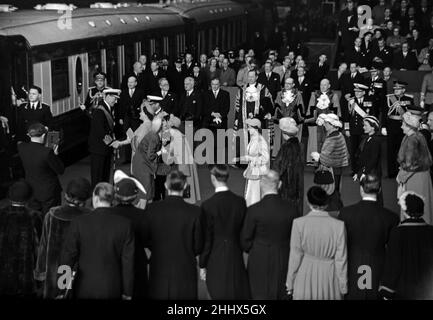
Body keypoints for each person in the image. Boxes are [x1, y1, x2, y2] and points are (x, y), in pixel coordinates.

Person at [60, 183, 134, 299]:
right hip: (112, 286)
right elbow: (128, 263)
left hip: (83, 287)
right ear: (113, 199)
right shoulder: (125, 224)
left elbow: (67, 257)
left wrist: (62, 288)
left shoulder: (78, 222)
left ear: (95, 198)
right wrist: (128, 292)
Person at [339, 174, 399, 300]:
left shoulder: (346, 213)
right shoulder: (390, 217)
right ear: (380, 190)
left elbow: (340, 245)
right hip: (377, 271)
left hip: (352, 269)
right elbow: (394, 254)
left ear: (361, 189)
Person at [145, 170, 203, 299]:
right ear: (184, 186)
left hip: (159, 266)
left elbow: (146, 238)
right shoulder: (195, 212)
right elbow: (198, 245)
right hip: (185, 266)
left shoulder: (151, 209)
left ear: (166, 186)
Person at [242, 170, 298, 299]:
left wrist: (256, 247)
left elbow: (245, 241)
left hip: (259, 257)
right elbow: (296, 238)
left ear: (261, 184)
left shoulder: (254, 210)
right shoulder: (291, 209)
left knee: (258, 292)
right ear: (279, 185)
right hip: (284, 257)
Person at [286, 186, 347, 300]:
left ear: (307, 201)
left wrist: (290, 283)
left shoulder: (298, 224)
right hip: (329, 275)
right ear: (326, 203)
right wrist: (343, 286)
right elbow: (341, 260)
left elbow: (295, 257)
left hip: (305, 274)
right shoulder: (339, 226)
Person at [34, 178, 92, 298]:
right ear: (86, 198)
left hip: (55, 273)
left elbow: (43, 246)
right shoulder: (90, 218)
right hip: (81, 273)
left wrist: (40, 272)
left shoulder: (51, 215)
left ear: (66, 195)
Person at [199, 165, 250, 299]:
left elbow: (207, 238)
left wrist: (202, 264)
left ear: (213, 178)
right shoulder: (240, 202)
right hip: (235, 255)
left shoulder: (208, 205)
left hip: (214, 257)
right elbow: (244, 232)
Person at [380, 192, 433, 300]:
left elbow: (394, 264)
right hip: (428, 290)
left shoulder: (397, 232)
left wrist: (386, 291)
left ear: (405, 211)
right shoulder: (431, 231)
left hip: (404, 291)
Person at [0, 180, 42, 297]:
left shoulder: (1, 214)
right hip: (25, 275)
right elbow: (39, 246)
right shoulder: (34, 217)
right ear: (29, 198)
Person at [112, 170, 149, 299]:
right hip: (137, 262)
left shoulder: (110, 214)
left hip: (113, 263)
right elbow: (148, 241)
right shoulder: (142, 215)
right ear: (135, 196)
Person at [18, 123, 64, 215]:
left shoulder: (21, 147)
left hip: (31, 190)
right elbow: (60, 170)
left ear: (29, 134)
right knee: (49, 220)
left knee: (36, 219)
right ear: (43, 135)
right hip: (49, 192)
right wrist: (55, 155)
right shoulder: (47, 152)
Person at [396, 109, 433, 224]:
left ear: (409, 126)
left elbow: (411, 164)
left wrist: (401, 176)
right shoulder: (413, 136)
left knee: (413, 206)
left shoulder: (413, 139)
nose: (401, 126)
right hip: (418, 175)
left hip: (415, 177)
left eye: (403, 124)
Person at [311, 113, 349, 210]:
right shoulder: (339, 135)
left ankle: (333, 212)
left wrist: (317, 157)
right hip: (337, 168)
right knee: (336, 191)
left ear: (332, 124)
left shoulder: (332, 138)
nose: (324, 124)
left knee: (331, 193)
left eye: (326, 123)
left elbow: (325, 158)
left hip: (332, 170)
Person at [165, 115, 201, 204]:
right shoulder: (177, 133)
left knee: (186, 184)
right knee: (188, 184)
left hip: (184, 164)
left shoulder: (175, 134)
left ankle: (186, 202)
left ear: (170, 124)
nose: (164, 123)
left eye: (166, 121)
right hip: (186, 162)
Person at [88, 88, 120, 187]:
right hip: (99, 149)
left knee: (105, 175)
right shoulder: (100, 110)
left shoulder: (108, 108)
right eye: (114, 98)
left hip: (104, 148)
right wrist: (111, 143)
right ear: (108, 96)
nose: (116, 101)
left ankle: (104, 196)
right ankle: (97, 198)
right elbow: (101, 131)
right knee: (98, 177)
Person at [272, 117, 303, 216]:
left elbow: (278, 167)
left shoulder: (286, 147)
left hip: (286, 183)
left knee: (285, 209)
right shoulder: (299, 145)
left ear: (284, 133)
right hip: (297, 181)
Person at [382, 81, 414, 178]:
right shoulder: (389, 98)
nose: (396, 90)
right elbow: (384, 113)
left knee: (402, 150)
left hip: (404, 127)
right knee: (391, 150)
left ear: (403, 90)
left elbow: (411, 113)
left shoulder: (409, 99)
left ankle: (401, 171)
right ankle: (391, 172)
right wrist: (383, 126)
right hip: (391, 126)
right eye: (395, 89)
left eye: (398, 89)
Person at [305, 79, 341, 162]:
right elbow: (310, 109)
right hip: (316, 124)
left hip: (328, 125)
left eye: (325, 85)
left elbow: (337, 111)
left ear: (329, 86)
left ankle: (326, 161)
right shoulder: (314, 95)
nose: (323, 87)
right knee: (316, 143)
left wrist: (334, 123)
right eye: (321, 85)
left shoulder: (333, 96)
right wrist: (310, 121)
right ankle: (316, 162)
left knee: (327, 143)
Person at [345, 83, 376, 176]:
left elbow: (373, 115)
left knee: (364, 151)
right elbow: (347, 117)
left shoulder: (369, 101)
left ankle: (363, 169)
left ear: (363, 92)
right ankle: (354, 170)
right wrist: (347, 129)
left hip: (365, 131)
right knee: (354, 151)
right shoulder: (351, 101)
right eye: (356, 92)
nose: (357, 93)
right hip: (354, 130)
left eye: (359, 92)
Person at [272, 77, 304, 154]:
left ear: (293, 85)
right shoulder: (279, 94)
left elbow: (300, 107)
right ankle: (279, 154)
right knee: (280, 138)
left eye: (289, 83)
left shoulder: (298, 94)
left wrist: (294, 118)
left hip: (293, 120)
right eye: (286, 83)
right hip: (282, 119)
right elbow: (276, 106)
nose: (286, 85)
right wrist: (279, 119)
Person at [243, 118, 270, 207]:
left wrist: (251, 158)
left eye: (249, 127)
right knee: (251, 192)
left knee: (254, 193)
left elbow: (265, 158)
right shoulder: (253, 138)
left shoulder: (260, 141)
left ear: (255, 128)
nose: (248, 129)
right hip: (252, 169)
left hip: (257, 171)